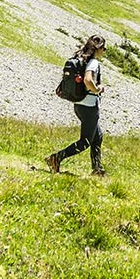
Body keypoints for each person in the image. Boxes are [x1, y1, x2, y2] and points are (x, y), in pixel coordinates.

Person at [48, 35, 107, 176]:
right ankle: (55, 158)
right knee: (85, 142)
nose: (104, 52)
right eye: (104, 49)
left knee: (97, 137)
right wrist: (98, 89)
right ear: (97, 49)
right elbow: (87, 80)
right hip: (89, 107)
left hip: (79, 105)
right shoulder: (93, 63)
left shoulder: (82, 59)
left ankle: (97, 169)